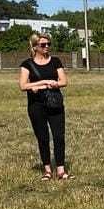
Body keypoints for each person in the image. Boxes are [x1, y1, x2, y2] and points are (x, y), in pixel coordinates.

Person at [19, 33, 69, 180]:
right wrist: (42, 83)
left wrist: (54, 83)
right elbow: (23, 85)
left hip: (55, 104)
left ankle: (61, 170)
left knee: (59, 137)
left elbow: (63, 81)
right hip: (36, 106)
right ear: (35, 47)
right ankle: (47, 170)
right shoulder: (27, 64)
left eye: (48, 44)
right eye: (43, 44)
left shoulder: (55, 61)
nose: (46, 46)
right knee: (43, 138)